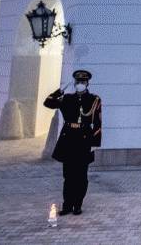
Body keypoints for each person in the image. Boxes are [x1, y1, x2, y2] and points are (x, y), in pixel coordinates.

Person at [43, 69, 102, 216]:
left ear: (87, 83)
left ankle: (77, 204)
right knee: (68, 176)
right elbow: (48, 103)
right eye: (78, 82)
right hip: (68, 140)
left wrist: (95, 144)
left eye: (83, 82)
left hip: (83, 141)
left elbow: (98, 123)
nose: (80, 84)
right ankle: (67, 205)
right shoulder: (67, 98)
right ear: (74, 83)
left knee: (81, 176)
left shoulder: (94, 100)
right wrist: (59, 91)